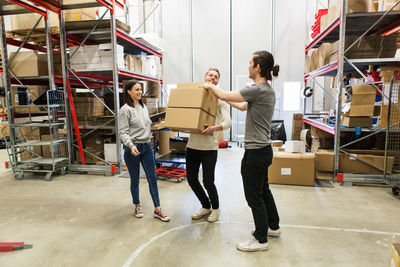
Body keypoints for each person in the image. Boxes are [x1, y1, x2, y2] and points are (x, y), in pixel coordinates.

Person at [202, 51, 281, 251]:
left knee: (253, 196)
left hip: (255, 152)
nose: (248, 66)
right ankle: (273, 226)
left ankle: (261, 239)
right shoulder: (267, 90)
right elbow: (243, 106)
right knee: (264, 190)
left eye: (250, 63)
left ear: (258, 67)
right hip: (263, 150)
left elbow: (223, 94)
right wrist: (223, 97)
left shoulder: (257, 89)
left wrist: (210, 86)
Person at [119, 80, 169, 222]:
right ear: (129, 91)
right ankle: (137, 205)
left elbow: (145, 125)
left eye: (141, 89)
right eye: (137, 89)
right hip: (133, 149)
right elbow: (123, 132)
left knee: (152, 178)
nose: (140, 92)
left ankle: (158, 209)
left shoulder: (143, 106)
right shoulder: (125, 110)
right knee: (135, 179)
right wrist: (130, 145)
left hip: (147, 146)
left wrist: (155, 123)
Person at [186, 67, 232, 223]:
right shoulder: (194, 94)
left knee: (208, 181)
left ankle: (216, 208)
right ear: (204, 77)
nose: (212, 78)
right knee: (191, 179)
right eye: (210, 75)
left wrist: (215, 128)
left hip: (209, 148)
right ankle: (205, 205)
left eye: (216, 76)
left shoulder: (220, 99)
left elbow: (228, 122)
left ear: (218, 81)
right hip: (192, 146)